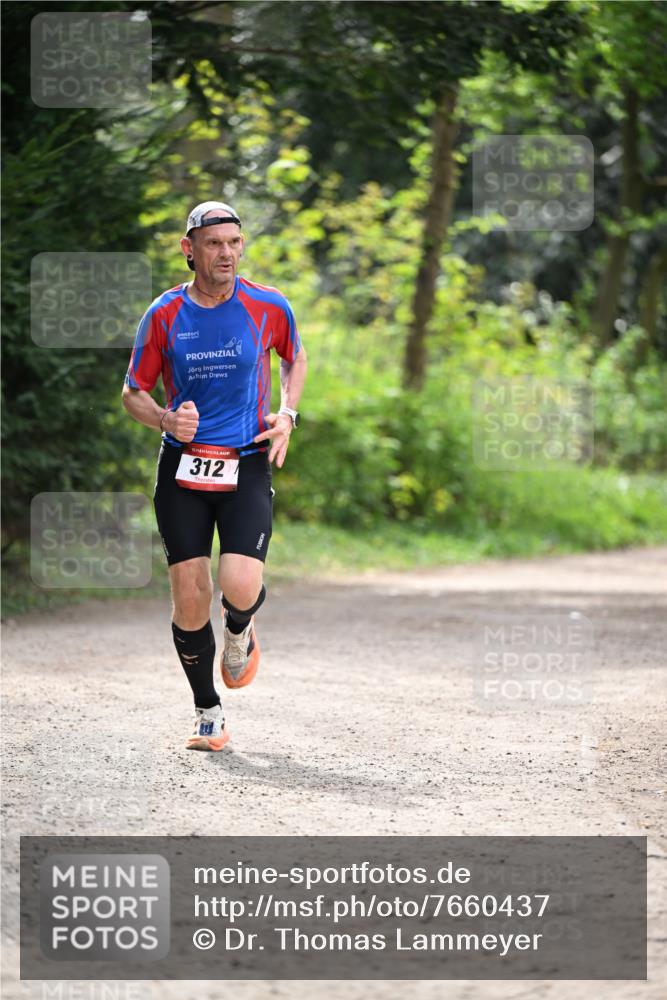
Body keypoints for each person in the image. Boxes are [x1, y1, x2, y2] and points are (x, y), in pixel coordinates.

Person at [121, 201, 307, 751]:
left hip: (247, 459)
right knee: (188, 593)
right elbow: (132, 391)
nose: (225, 253)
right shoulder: (164, 314)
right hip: (182, 464)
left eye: (233, 242)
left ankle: (240, 629)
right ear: (189, 250)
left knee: (239, 585)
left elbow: (294, 357)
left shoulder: (267, 305)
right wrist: (164, 417)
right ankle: (207, 712)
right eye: (213, 243)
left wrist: (288, 416)